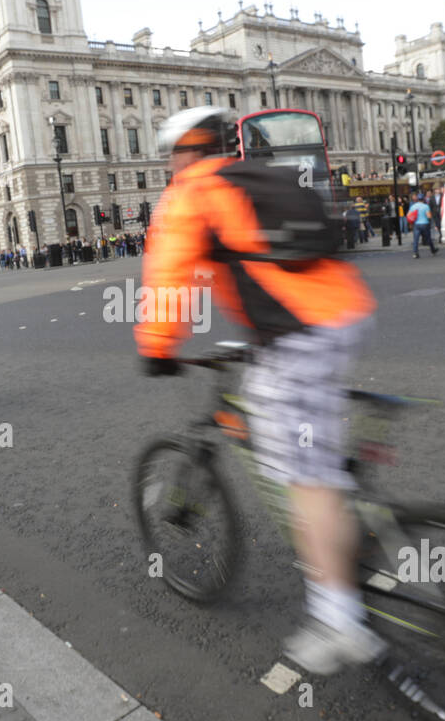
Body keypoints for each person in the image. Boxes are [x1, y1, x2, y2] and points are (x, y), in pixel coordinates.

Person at [135, 107, 385, 675]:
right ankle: (347, 517)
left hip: (300, 331)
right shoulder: (263, 177)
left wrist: (157, 347)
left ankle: (337, 619)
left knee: (305, 477)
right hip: (345, 311)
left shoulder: (192, 192)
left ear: (183, 153)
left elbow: (170, 275)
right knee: (311, 442)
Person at [407, 192, 437, 258]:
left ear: (418, 199)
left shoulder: (413, 206)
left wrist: (412, 222)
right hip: (425, 224)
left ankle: (415, 253)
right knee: (428, 238)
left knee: (416, 239)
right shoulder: (426, 206)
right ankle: (433, 250)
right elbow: (429, 216)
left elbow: (408, 215)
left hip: (416, 224)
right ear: (423, 199)